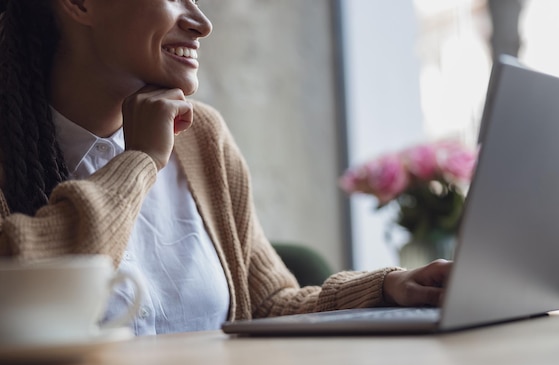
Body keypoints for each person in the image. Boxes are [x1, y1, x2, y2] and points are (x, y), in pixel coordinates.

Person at [0, 0, 452, 335]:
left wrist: (390, 288)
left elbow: (268, 303)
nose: (201, 22)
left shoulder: (200, 136)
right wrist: (137, 163)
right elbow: (19, 289)